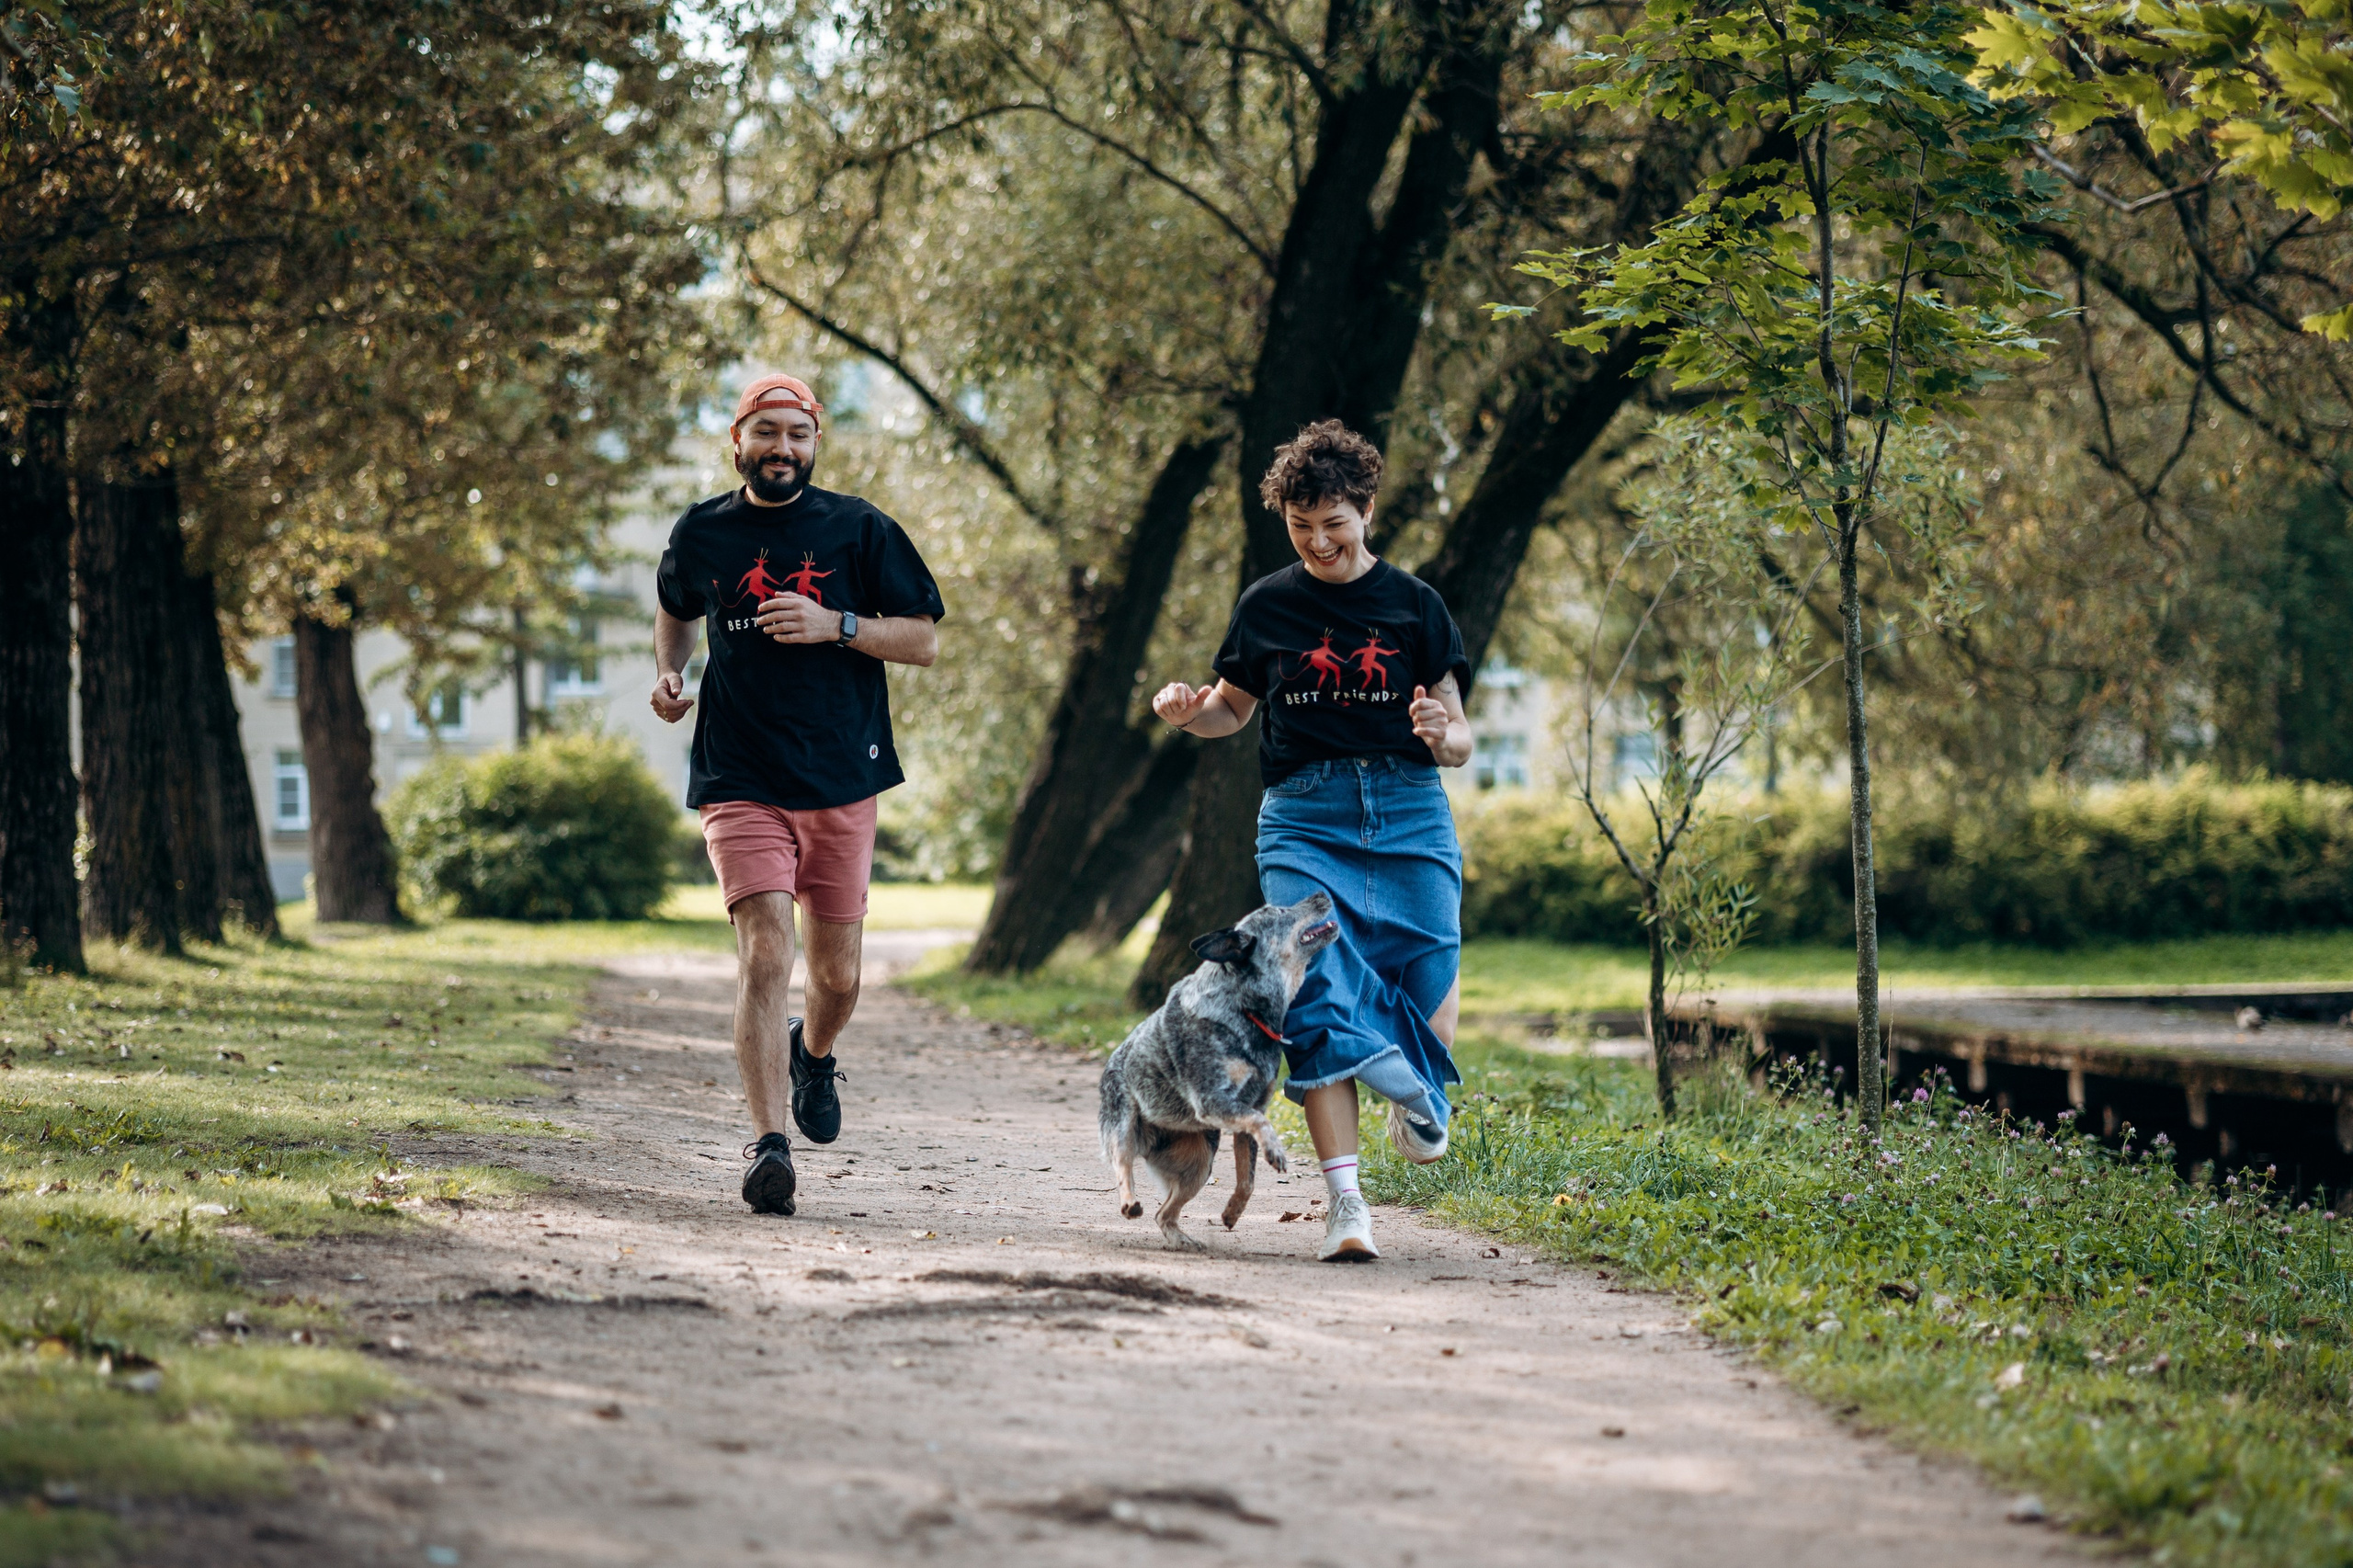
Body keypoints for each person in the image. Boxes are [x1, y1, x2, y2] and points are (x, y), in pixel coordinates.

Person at [1151, 419, 1472, 1262]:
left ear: (1367, 511)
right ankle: (1347, 1205)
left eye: (1335, 524)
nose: (1320, 542)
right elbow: (1230, 710)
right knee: (1315, 989)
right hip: (1303, 816)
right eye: (1302, 527)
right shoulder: (1268, 605)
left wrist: (1442, 732)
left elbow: (1462, 738)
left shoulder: (1416, 605)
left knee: (1429, 979)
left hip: (1409, 807)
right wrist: (1188, 714)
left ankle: (1414, 1082)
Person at [650, 373, 945, 1216]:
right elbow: (676, 608)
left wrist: (837, 625)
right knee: (766, 954)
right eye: (767, 431)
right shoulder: (702, 531)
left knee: (838, 979)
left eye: (798, 434)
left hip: (841, 775)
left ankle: (813, 1053)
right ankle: (768, 1146)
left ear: (815, 443)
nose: (783, 448)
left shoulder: (859, 528)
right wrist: (670, 673)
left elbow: (922, 640)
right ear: (738, 441)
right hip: (739, 775)